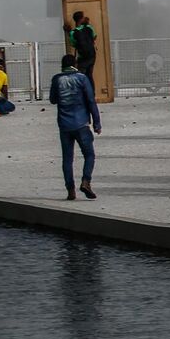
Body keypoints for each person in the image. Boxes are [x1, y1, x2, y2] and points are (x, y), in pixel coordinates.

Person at [48, 54, 101, 201]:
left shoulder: (57, 79)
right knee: (89, 155)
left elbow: (53, 100)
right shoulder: (82, 78)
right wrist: (97, 123)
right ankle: (86, 181)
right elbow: (91, 101)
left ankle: (70, 191)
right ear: (75, 64)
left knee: (67, 159)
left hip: (64, 125)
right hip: (81, 123)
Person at [64, 11, 97, 93]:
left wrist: (68, 32)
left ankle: (82, 94)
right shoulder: (89, 28)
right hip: (92, 55)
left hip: (82, 57)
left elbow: (73, 44)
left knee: (81, 76)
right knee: (90, 75)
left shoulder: (73, 32)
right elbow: (94, 36)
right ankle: (92, 94)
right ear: (81, 19)